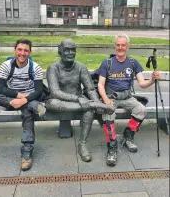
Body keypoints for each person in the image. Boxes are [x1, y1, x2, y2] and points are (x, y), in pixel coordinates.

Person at [46, 39, 114, 162]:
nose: (70, 53)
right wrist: (81, 100)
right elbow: (55, 92)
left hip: (80, 102)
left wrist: (95, 101)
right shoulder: (53, 68)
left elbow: (90, 89)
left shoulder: (81, 67)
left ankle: (82, 144)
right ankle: (92, 105)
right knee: (52, 103)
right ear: (60, 52)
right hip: (61, 101)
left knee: (89, 111)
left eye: (73, 50)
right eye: (67, 50)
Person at [98, 33, 160, 167]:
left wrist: (152, 80)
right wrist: (105, 99)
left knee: (141, 110)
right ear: (115, 46)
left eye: (123, 45)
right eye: (118, 45)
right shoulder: (107, 63)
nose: (120, 47)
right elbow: (100, 85)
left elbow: (142, 84)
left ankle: (128, 136)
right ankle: (112, 148)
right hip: (111, 97)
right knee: (107, 114)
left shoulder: (133, 63)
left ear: (127, 46)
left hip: (127, 97)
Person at [0, 39, 46, 171]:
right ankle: (35, 106)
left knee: (27, 113)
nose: (22, 53)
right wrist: (20, 98)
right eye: (20, 50)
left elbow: (38, 91)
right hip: (13, 99)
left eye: (26, 50)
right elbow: (0, 89)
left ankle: (27, 153)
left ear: (30, 52)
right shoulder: (6, 66)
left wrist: (24, 100)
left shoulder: (35, 68)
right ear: (15, 50)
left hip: (28, 97)